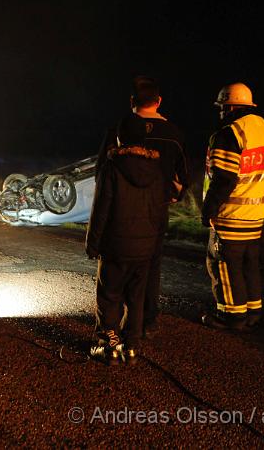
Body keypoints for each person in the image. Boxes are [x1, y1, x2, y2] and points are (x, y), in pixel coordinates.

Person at [96, 76, 188, 334]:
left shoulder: (117, 130)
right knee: (149, 267)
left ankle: (110, 327)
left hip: (120, 214)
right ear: (158, 101)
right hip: (155, 213)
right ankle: (145, 321)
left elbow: (100, 174)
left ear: (132, 102)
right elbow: (182, 179)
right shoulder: (174, 134)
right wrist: (168, 197)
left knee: (114, 271)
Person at [86, 114, 165, 365]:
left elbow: (101, 209)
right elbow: (160, 210)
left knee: (110, 295)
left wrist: (93, 242)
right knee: (136, 298)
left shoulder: (112, 167)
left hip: (116, 246)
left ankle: (109, 345)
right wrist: (154, 242)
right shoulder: (157, 169)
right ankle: (131, 347)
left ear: (120, 137)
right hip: (145, 247)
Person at [201, 82, 264, 330]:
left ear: (231, 105)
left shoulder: (229, 133)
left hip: (231, 214)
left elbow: (224, 179)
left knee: (224, 264)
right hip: (257, 215)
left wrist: (209, 210)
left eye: (222, 107)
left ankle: (231, 316)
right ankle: (252, 311)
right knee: (249, 265)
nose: (220, 112)